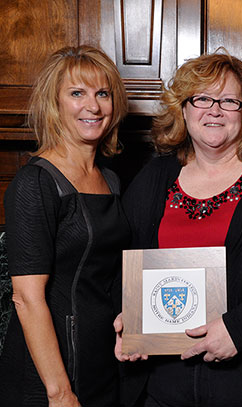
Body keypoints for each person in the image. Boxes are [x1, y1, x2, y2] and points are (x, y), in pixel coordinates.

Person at [115, 50, 242, 406]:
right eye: (202, 98)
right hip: (163, 380)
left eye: (229, 100)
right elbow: (121, 264)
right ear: (183, 109)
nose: (214, 110)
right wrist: (127, 318)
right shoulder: (154, 178)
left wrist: (238, 328)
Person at [0, 45, 130, 407]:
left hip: (102, 361)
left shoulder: (110, 179)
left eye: (102, 93)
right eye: (77, 93)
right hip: (50, 377)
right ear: (54, 103)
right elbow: (27, 299)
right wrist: (59, 393)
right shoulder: (35, 183)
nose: (93, 106)